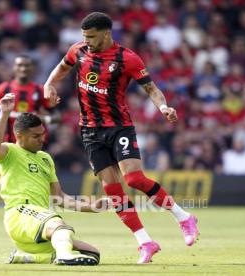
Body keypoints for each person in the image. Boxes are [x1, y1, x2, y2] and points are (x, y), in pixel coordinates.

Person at [43, 12, 199, 264]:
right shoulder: (78, 50)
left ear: (106, 33)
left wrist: (163, 108)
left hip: (119, 127)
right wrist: (49, 83)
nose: (87, 42)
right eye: (84, 37)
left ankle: (184, 217)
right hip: (90, 131)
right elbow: (62, 67)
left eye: (91, 37)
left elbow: (151, 88)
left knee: (134, 179)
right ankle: (145, 242)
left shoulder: (127, 58)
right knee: (114, 191)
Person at [0, 93, 109, 266]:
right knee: (59, 224)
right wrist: (4, 114)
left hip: (40, 225)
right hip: (20, 214)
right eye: (36, 136)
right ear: (19, 136)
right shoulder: (10, 152)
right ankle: (65, 256)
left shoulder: (45, 158)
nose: (42, 139)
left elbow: (58, 198)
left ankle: (27, 257)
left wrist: (92, 207)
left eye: (42, 134)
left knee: (93, 254)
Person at [0, 55, 57, 142]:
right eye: (20, 65)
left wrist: (44, 119)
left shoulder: (40, 90)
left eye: (26, 65)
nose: (23, 69)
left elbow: (56, 117)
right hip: (10, 142)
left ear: (32, 68)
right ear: (13, 67)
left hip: (35, 143)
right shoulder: (4, 88)